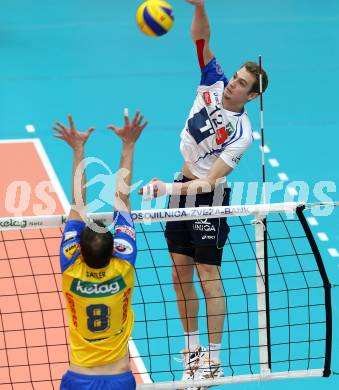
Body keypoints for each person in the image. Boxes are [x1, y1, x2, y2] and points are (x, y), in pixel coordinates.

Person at [139, 0, 268, 386]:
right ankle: (192, 351)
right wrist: (198, 5)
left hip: (207, 200)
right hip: (180, 186)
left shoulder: (242, 135)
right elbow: (202, 38)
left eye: (243, 83)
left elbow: (211, 182)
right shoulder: (212, 80)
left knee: (208, 275)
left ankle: (213, 359)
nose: (234, 83)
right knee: (179, 275)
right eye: (237, 77)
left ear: (252, 96)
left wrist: (167, 188)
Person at [53, 111, 148, 390]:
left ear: (79, 250)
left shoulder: (72, 267)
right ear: (115, 249)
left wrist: (78, 148)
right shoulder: (124, 264)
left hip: (78, 377)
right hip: (119, 377)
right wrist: (129, 144)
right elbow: (121, 198)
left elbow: (77, 205)